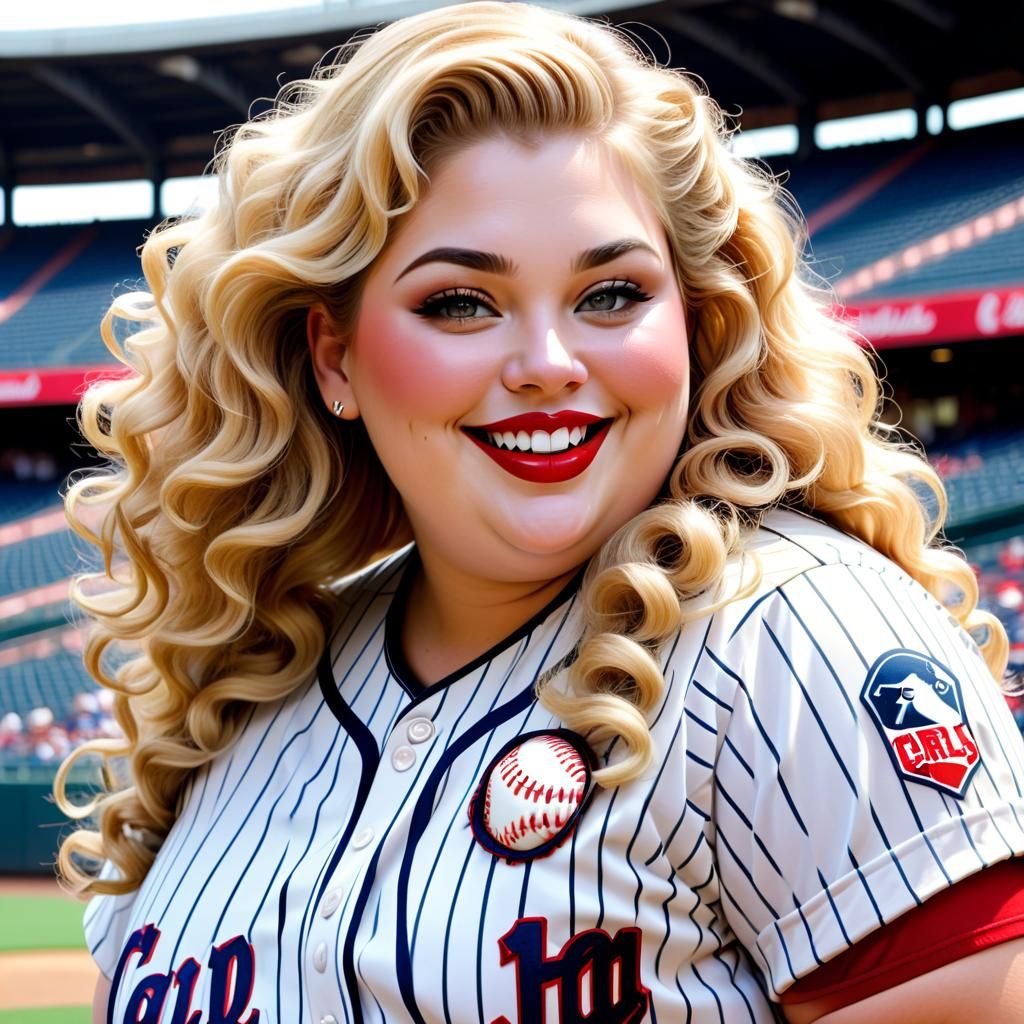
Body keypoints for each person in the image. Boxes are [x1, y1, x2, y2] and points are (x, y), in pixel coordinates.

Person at [55, 3, 1024, 1022]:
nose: (548, 367)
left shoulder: (788, 637)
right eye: (460, 303)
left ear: (694, 323)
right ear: (335, 358)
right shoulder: (254, 682)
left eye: (610, 293)